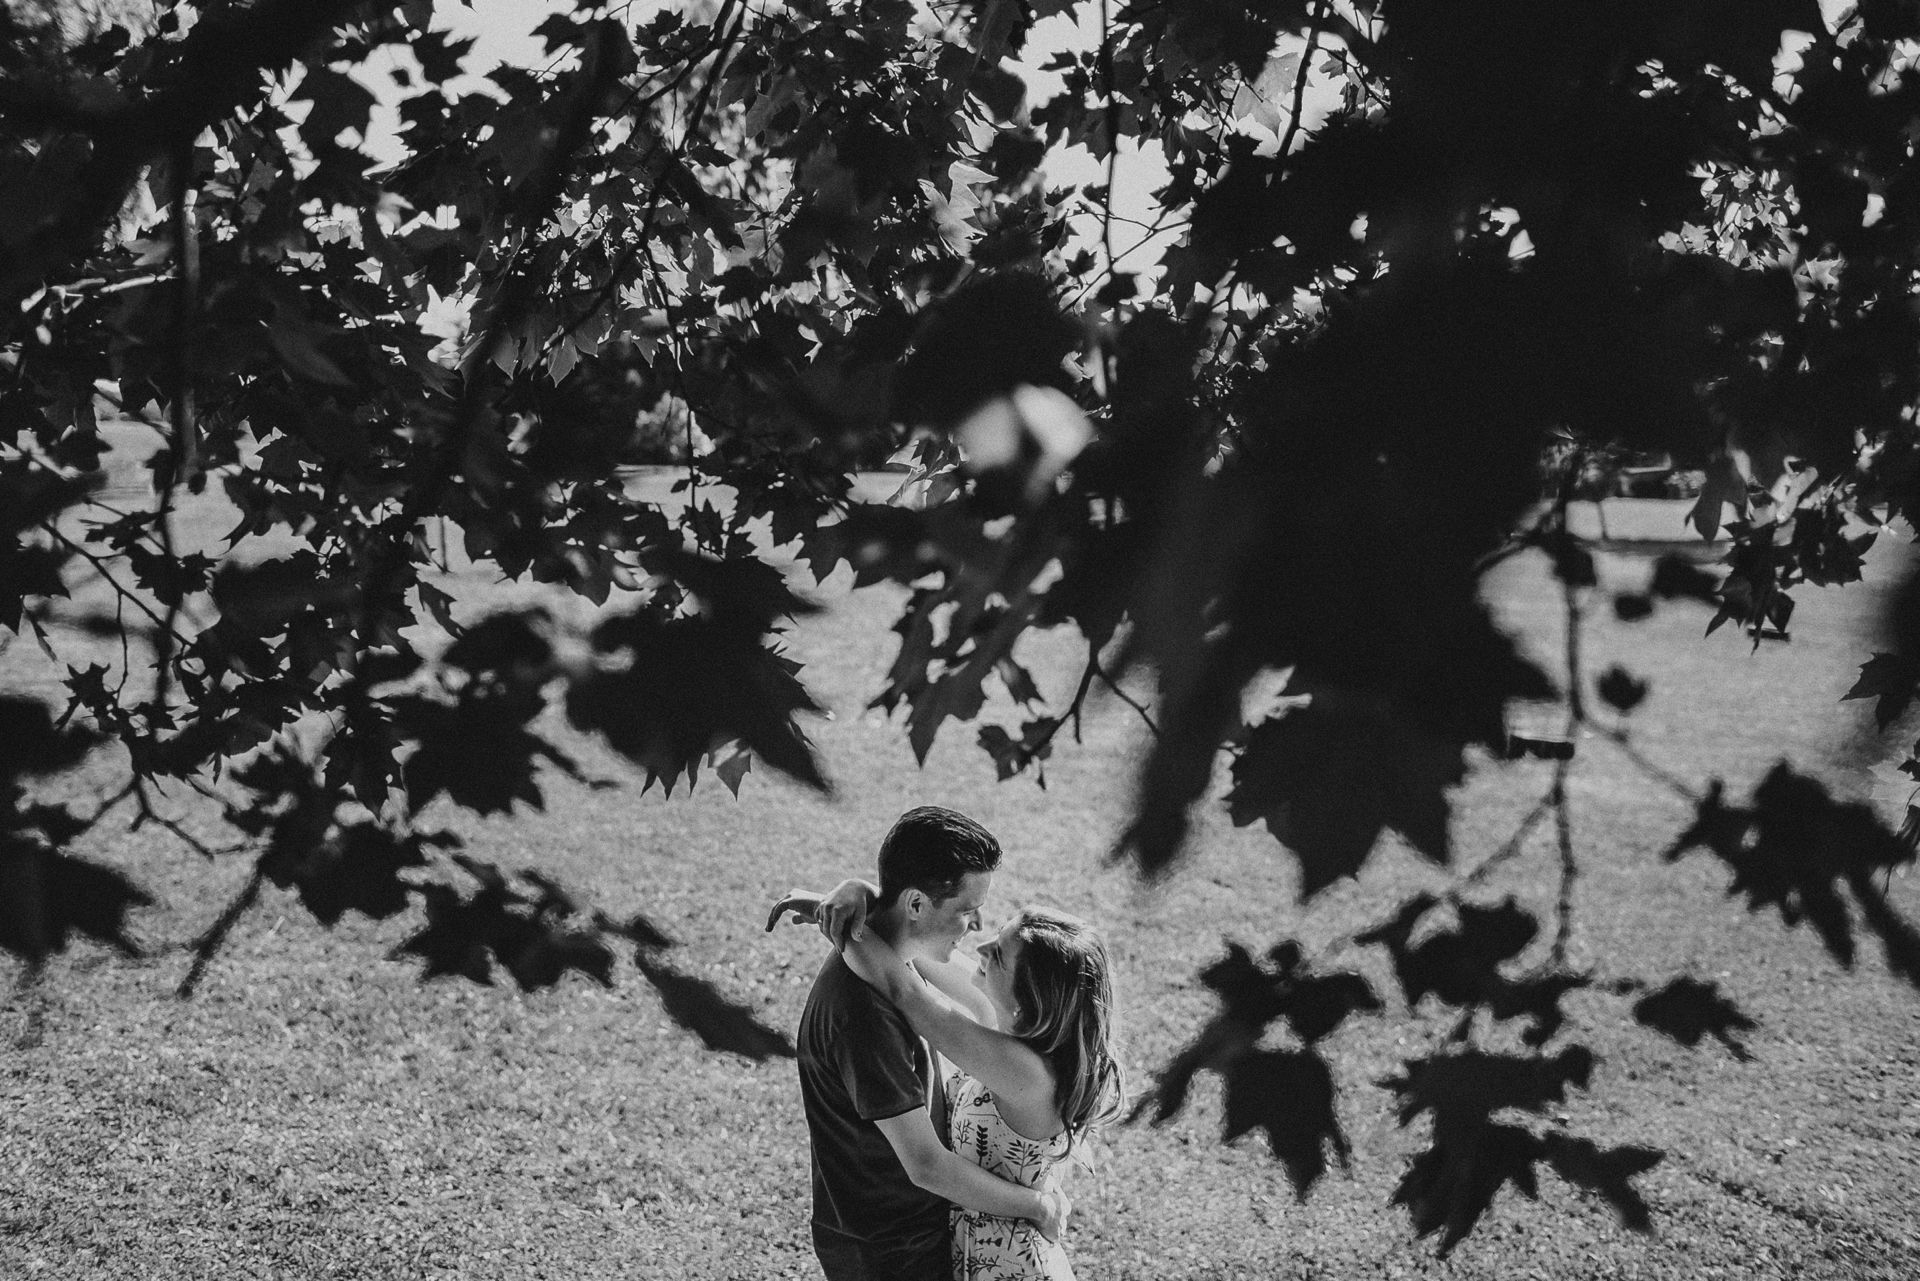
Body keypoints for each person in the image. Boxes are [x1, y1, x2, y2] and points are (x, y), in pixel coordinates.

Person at [776, 862, 1124, 1280]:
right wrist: (853, 895)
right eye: (996, 935)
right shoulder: (1004, 1024)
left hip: (1008, 1266)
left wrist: (835, 916)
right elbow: (910, 939)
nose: (980, 948)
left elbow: (902, 988)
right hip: (972, 1250)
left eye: (998, 954)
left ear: (1032, 997)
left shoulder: (1024, 1071)